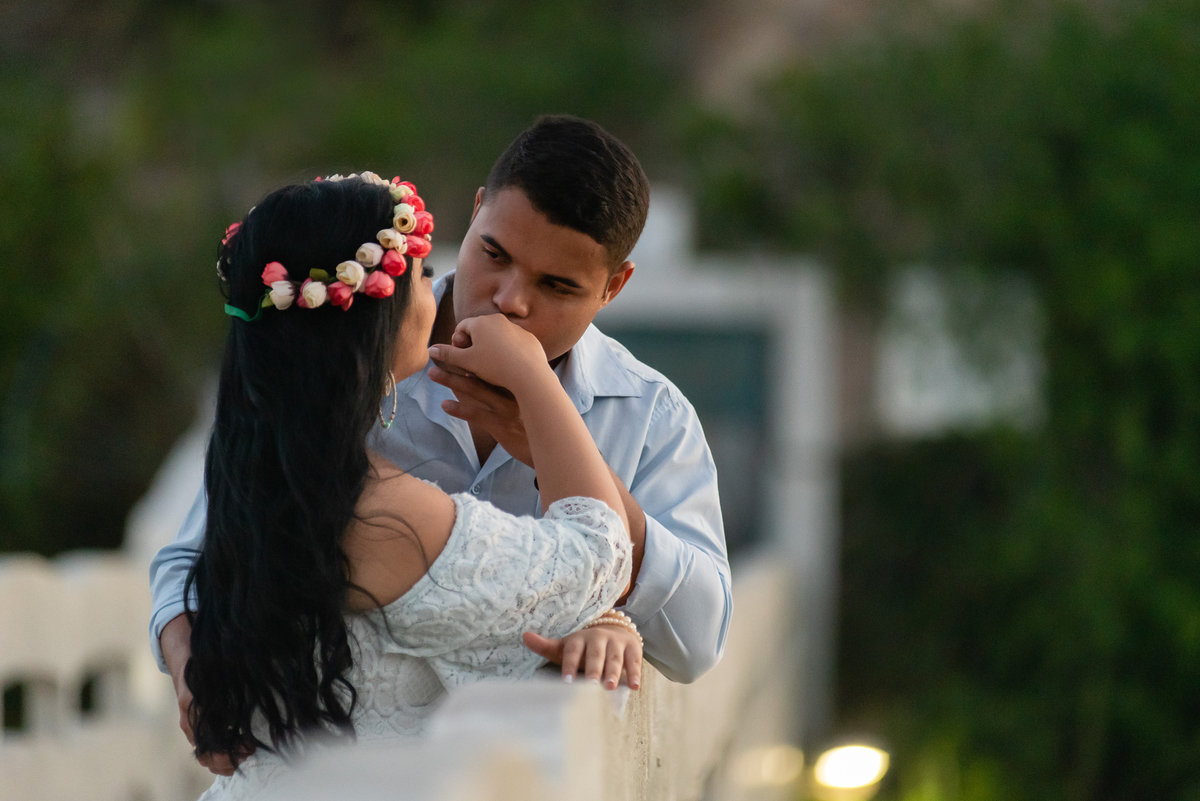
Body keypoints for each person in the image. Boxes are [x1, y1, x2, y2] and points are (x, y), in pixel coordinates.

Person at [151, 115, 733, 770]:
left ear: (613, 286)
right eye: (495, 255)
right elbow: (198, 552)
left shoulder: (649, 415)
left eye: (557, 286)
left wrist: (606, 607)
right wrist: (195, 670)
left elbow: (698, 639)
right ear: (478, 211)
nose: (510, 301)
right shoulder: (349, 353)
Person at [187, 172, 637, 798]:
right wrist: (535, 382)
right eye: (424, 277)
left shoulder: (257, 468)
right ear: (375, 312)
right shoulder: (380, 515)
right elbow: (600, 554)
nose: (437, 296)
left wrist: (606, 623)